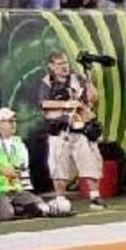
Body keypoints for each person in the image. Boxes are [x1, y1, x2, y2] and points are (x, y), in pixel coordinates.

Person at [41, 54, 104, 205]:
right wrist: (68, 105)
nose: (63, 67)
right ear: (51, 66)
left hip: (81, 129)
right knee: (59, 166)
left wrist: (87, 77)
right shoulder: (47, 82)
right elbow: (44, 104)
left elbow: (93, 97)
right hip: (60, 129)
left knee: (90, 163)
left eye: (65, 63)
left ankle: (95, 197)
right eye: (59, 64)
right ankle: (60, 198)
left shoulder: (78, 78)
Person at [0, 107, 53, 219]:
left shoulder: (19, 143)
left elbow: (23, 170)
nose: (13, 124)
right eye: (9, 121)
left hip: (14, 190)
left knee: (41, 208)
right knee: (6, 214)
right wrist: (1, 170)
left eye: (14, 121)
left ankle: (16, 208)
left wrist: (26, 190)